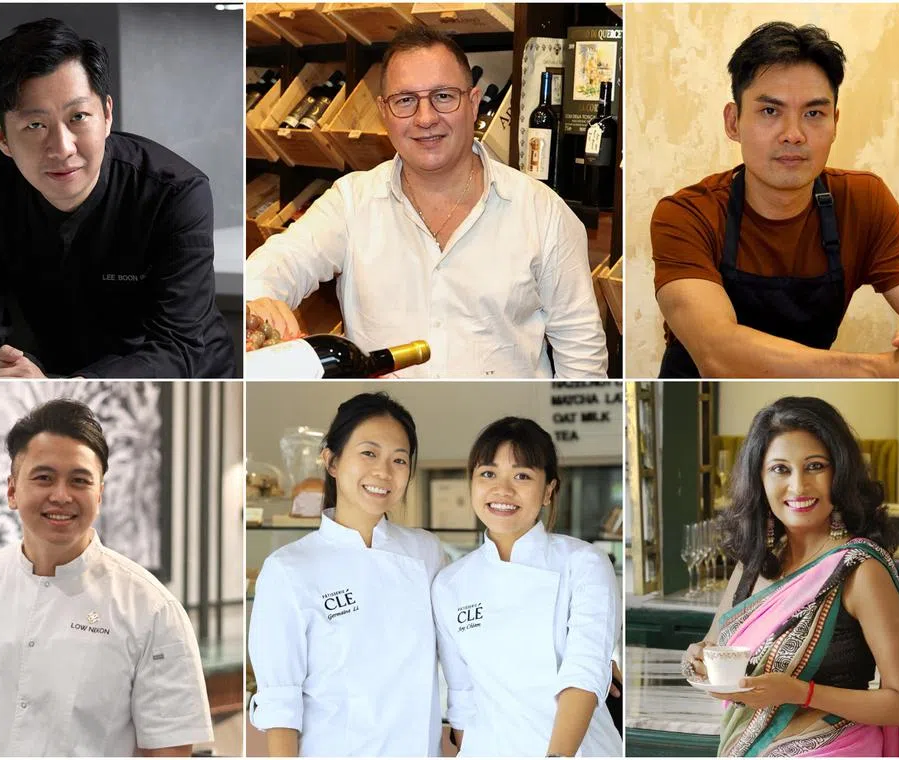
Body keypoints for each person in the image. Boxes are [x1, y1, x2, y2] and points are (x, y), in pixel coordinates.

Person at [246, 24, 607, 379]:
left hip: (503, 431)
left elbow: (581, 351)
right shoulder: (351, 203)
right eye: (405, 101)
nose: (425, 118)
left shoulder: (542, 212)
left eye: (443, 96)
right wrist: (259, 299)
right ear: (384, 112)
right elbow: (280, 262)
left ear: (473, 103)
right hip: (385, 426)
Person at [651, 21, 899, 379]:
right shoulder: (685, 215)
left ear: (835, 122)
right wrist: (880, 369)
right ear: (733, 122)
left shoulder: (863, 201)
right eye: (770, 111)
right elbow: (720, 354)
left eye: (813, 114)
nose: (793, 135)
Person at [0, 399, 213, 756]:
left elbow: (167, 748)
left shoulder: (152, 609)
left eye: (79, 481)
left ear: (100, 493)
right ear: (12, 490)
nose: (61, 496)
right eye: (44, 478)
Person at [0, 18, 235, 379]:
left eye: (79, 117)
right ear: (1, 136)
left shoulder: (175, 193)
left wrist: (67, 388)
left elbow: (176, 346)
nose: (63, 148)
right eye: (35, 125)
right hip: (42, 384)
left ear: (107, 114)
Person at [682, 397, 899, 756]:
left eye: (815, 466)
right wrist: (697, 659)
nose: (798, 486)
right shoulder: (753, 564)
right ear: (759, 478)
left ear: (839, 473)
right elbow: (714, 647)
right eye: (780, 469)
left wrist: (800, 693)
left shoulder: (860, 569)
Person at [247, 393, 445, 756]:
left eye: (399, 460)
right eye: (369, 453)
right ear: (332, 461)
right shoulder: (289, 568)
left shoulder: (426, 554)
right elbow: (280, 703)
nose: (384, 472)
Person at [431, 417, 621, 756]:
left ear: (548, 490)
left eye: (522, 476)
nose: (503, 490)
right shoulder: (449, 583)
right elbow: (461, 694)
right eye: (488, 474)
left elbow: (584, 672)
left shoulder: (584, 563)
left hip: (573, 750)